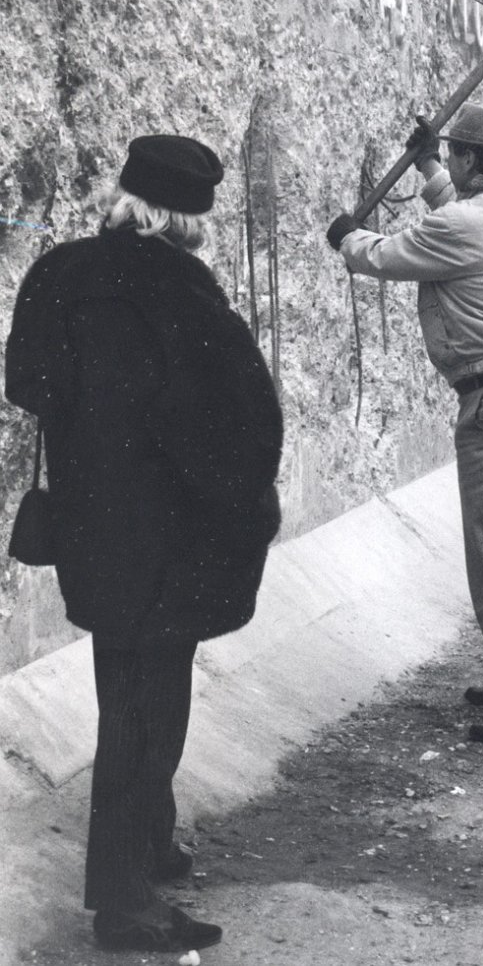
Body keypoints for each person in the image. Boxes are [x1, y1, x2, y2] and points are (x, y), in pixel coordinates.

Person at [5, 136, 283, 953]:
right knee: (148, 711)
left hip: (95, 528)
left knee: (121, 689)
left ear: (126, 197)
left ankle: (150, 844)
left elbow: (27, 383)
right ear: (189, 218)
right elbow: (234, 425)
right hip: (170, 536)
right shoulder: (183, 294)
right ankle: (124, 903)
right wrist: (242, 504)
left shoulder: (61, 273)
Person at [327, 101, 483, 749]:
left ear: (471, 161)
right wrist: (433, 162)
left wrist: (345, 235)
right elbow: (453, 218)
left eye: (454, 156)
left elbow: (384, 256)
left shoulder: (465, 226)